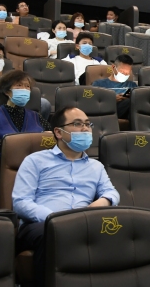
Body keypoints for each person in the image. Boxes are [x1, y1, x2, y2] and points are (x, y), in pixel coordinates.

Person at [13, 106, 120, 286]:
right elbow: (21, 202)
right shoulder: (35, 161)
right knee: (51, 233)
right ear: (58, 132)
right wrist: (55, 219)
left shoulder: (96, 166)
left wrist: (103, 202)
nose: (85, 129)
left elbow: (111, 192)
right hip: (41, 224)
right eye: (77, 124)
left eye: (88, 124)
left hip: (83, 221)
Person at [0, 70, 52, 166]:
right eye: (19, 85)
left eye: (27, 86)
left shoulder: (36, 116)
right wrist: (18, 144)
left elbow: (53, 137)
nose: (24, 89)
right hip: (6, 160)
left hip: (38, 160)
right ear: (7, 91)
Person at [91, 54, 137, 120]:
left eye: (127, 73)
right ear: (113, 67)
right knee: (130, 102)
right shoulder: (98, 84)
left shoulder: (132, 85)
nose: (124, 75)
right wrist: (112, 99)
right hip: (108, 110)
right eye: (122, 72)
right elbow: (94, 104)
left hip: (128, 111)